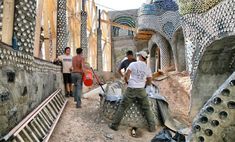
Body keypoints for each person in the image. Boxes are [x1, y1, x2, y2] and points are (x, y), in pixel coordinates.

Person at [109, 50, 156, 132]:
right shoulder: (147, 67)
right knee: (147, 108)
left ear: (141, 56)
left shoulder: (133, 64)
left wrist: (127, 81)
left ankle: (114, 126)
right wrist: (145, 86)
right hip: (141, 90)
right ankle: (152, 127)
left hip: (131, 88)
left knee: (122, 107)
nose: (137, 56)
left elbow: (127, 74)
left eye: (138, 55)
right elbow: (149, 79)